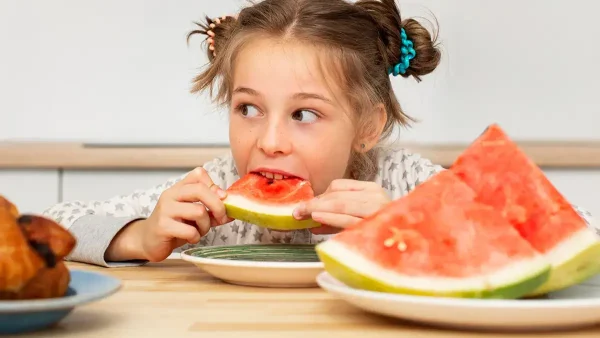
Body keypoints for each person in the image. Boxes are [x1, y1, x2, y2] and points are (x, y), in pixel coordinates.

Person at [42, 0, 597, 268]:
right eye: (248, 109)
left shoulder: (405, 184)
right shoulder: (214, 188)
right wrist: (137, 237)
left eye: (304, 114)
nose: (270, 141)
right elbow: (47, 226)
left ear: (368, 126)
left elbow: (577, 236)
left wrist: (420, 232)